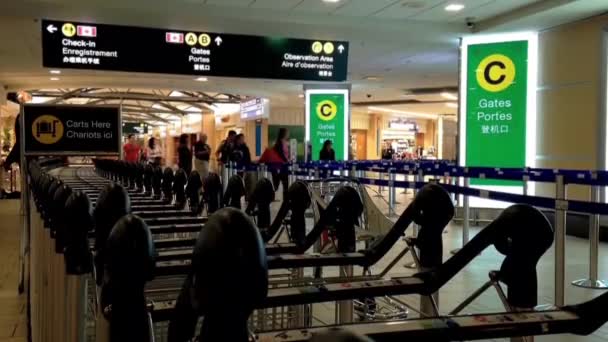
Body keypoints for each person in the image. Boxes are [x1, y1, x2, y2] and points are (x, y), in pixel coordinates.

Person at [259, 128, 289, 196]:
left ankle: (285, 198)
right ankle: (268, 195)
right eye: (287, 132)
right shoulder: (279, 143)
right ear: (284, 134)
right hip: (279, 166)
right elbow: (281, 153)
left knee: (283, 184)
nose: (288, 134)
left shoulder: (283, 142)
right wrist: (286, 160)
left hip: (282, 166)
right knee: (278, 184)